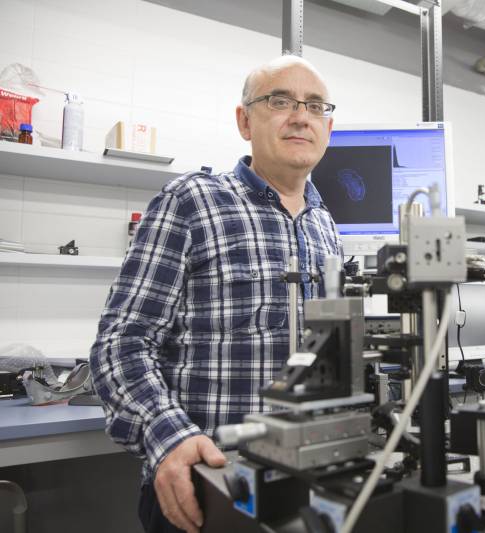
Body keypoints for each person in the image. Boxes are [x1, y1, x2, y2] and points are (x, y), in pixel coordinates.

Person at [90, 55, 341, 533]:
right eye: (280, 100)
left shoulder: (326, 226)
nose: (300, 116)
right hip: (209, 486)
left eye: (314, 105)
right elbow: (121, 343)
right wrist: (170, 438)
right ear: (245, 120)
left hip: (305, 483)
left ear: (328, 126)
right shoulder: (192, 202)